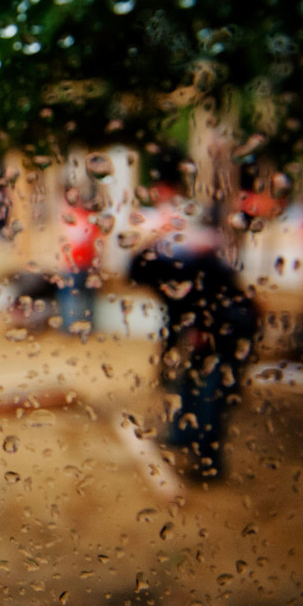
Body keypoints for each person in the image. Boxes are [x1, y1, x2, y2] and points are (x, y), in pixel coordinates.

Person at [128, 150, 259, 481]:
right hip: (210, 317)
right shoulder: (171, 257)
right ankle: (183, 437)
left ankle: (207, 462)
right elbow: (146, 279)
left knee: (212, 390)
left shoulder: (189, 249)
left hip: (227, 321)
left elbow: (210, 289)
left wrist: (203, 327)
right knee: (191, 377)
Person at [56, 188, 102, 335]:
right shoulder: (89, 218)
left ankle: (71, 326)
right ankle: (85, 325)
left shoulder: (74, 217)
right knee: (85, 295)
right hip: (83, 262)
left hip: (76, 263)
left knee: (72, 295)